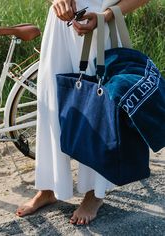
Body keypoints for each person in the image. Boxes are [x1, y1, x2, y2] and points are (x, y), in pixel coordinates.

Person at [16, 0, 150, 225]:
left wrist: (106, 16)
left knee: (96, 108)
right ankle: (48, 187)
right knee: (51, 105)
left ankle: (94, 193)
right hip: (60, 26)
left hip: (98, 23)